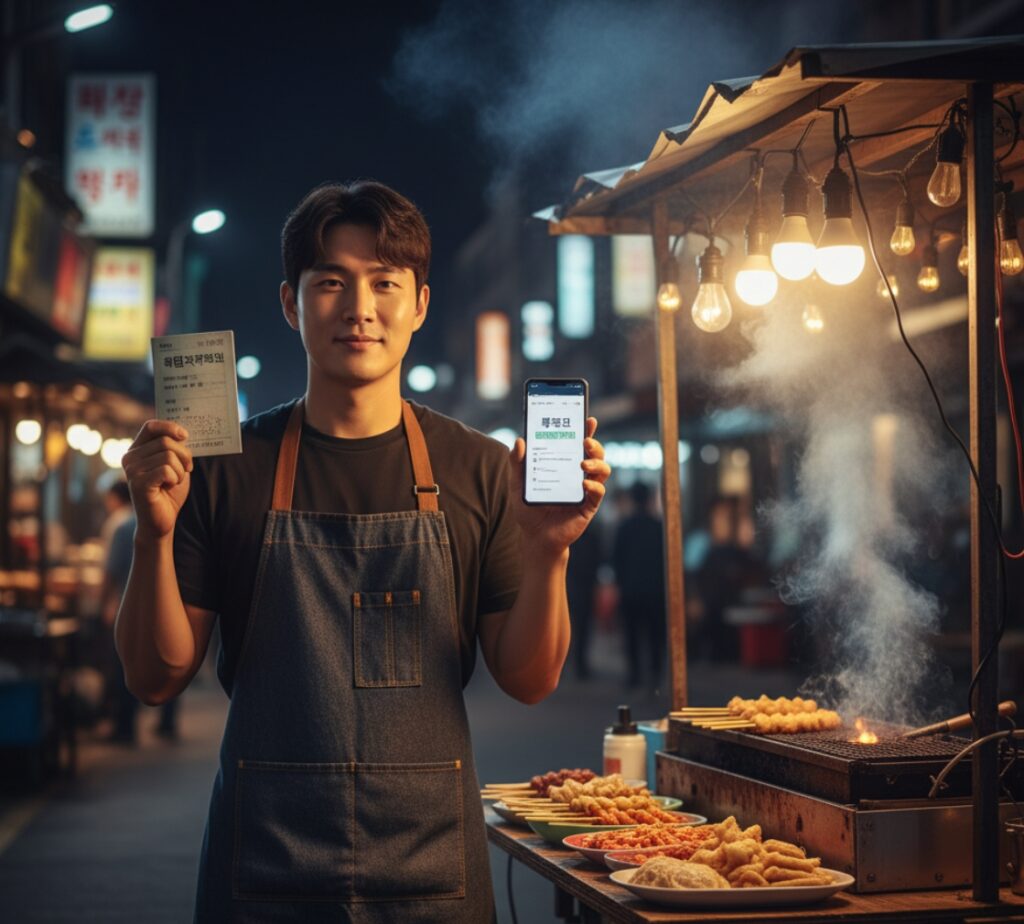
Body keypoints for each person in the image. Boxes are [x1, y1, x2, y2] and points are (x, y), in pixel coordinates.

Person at [115, 180, 610, 923]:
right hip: (264, 865)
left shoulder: (479, 467)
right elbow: (155, 677)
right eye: (330, 284)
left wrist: (550, 553)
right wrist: (154, 536)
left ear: (419, 304)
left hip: (431, 867)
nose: (359, 308)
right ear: (291, 303)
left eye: (384, 283)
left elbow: (529, 679)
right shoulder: (221, 465)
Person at [100, 512, 179, 743]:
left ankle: (125, 728)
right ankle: (167, 722)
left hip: (131, 607)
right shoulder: (177, 519)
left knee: (126, 667)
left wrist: (103, 603)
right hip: (169, 608)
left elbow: (111, 572)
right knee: (169, 662)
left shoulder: (123, 527)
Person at [612, 481, 665, 689]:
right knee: (654, 635)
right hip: (655, 590)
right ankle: (655, 676)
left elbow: (616, 559)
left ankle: (634, 675)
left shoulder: (625, 527)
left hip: (630, 590)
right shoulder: (658, 527)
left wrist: (619, 585)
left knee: (632, 635)